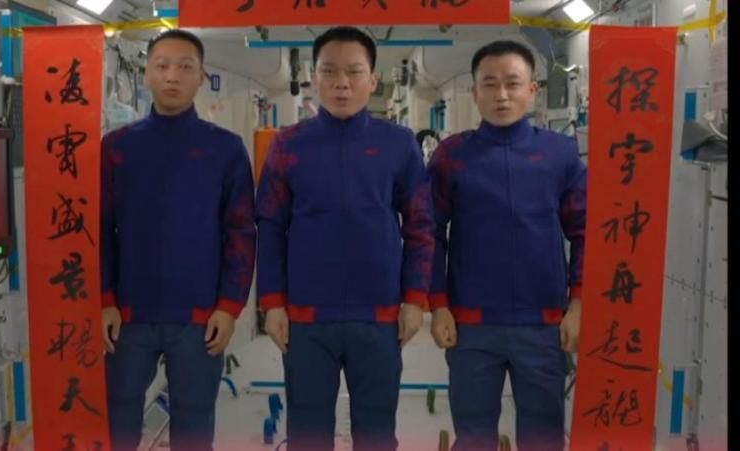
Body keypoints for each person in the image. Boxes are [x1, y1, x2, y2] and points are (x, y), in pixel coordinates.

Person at [255, 26, 435, 451]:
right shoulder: (288, 145)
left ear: (372, 79)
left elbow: (420, 225)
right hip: (306, 316)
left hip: (379, 314)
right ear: (314, 79)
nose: (342, 83)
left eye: (354, 72)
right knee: (307, 432)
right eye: (330, 71)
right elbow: (270, 226)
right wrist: (272, 302)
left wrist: (414, 299)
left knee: (376, 433)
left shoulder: (398, 144)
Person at [99, 29, 256, 451]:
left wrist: (229, 306)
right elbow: (101, 229)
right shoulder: (117, 148)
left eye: (186, 67)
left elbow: (241, 232)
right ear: (146, 73)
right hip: (129, 314)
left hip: (200, 315)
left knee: (195, 417)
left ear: (201, 77)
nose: (173, 75)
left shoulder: (225, 149)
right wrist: (105, 299)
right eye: (162, 65)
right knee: (119, 413)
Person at [427, 40, 587, 451]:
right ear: (475, 92)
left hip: (544, 324)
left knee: (543, 436)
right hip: (470, 324)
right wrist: (438, 304)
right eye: (490, 84)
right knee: (473, 435)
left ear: (532, 90)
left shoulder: (560, 155)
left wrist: (578, 304)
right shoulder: (451, 157)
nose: (502, 95)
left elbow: (584, 231)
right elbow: (429, 234)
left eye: (513, 83)